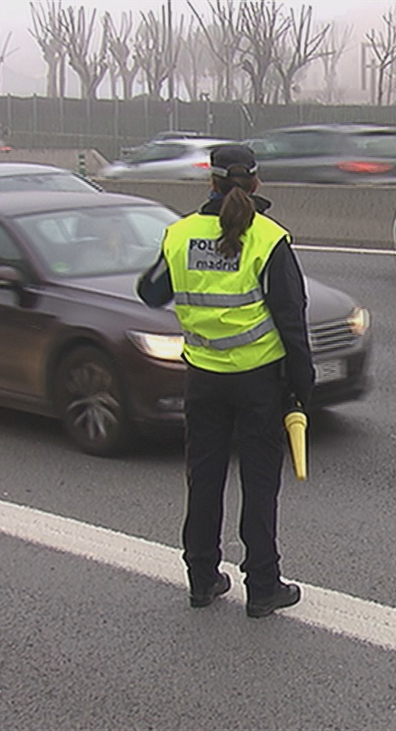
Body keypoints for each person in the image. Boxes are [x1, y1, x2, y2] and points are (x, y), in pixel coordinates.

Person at [136, 144, 314, 618]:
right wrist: (302, 386)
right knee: (258, 483)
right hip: (258, 382)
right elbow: (292, 320)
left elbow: (150, 291)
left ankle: (201, 578)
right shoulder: (269, 238)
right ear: (256, 184)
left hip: (204, 380)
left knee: (205, 477)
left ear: (210, 183)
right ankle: (262, 586)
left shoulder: (180, 234)